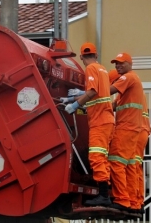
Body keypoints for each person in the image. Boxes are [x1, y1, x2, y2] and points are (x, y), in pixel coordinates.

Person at [61, 42, 114, 207]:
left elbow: (92, 92)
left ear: (82, 57)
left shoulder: (90, 69)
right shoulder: (102, 69)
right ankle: (107, 194)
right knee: (103, 157)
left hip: (99, 121)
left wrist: (74, 106)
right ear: (96, 55)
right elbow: (96, 92)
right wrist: (71, 98)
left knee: (96, 157)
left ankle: (103, 195)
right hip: (106, 120)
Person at [107, 52, 144, 212]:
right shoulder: (128, 85)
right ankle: (133, 202)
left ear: (130, 64)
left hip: (126, 128)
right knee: (129, 165)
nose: (118, 66)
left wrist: (87, 93)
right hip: (132, 128)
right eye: (116, 63)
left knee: (116, 161)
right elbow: (113, 106)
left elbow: (108, 91)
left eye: (121, 63)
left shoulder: (128, 78)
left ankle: (122, 199)